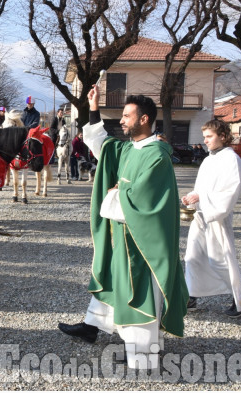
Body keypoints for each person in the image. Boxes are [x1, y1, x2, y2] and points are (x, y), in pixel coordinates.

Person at [57, 85, 188, 370]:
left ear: (144, 119)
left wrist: (115, 192)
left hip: (142, 243)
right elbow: (103, 145)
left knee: (139, 292)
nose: (122, 121)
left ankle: (143, 356)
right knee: (117, 283)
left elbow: (142, 199)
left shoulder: (156, 156)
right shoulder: (129, 148)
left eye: (128, 116)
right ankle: (94, 327)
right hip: (124, 237)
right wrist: (93, 107)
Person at [182, 120, 241, 318]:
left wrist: (202, 198)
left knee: (220, 261)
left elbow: (230, 191)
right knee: (192, 258)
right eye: (204, 137)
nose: (205, 141)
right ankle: (191, 295)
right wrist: (192, 197)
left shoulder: (231, 159)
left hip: (217, 218)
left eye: (209, 136)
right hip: (201, 216)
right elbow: (201, 187)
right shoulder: (208, 159)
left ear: (222, 136)